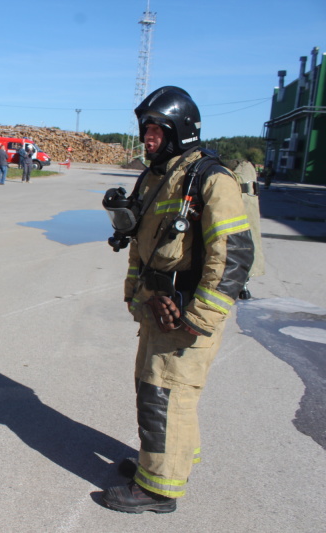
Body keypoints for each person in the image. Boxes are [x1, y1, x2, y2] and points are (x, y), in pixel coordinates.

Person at [102, 86, 254, 514]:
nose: (148, 137)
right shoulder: (156, 175)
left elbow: (234, 254)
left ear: (179, 131)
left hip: (184, 313)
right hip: (157, 308)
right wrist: (134, 294)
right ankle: (165, 463)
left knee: (167, 393)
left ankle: (159, 490)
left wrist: (198, 317)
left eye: (156, 129)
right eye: (146, 128)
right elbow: (139, 243)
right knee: (153, 388)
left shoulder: (210, 178)